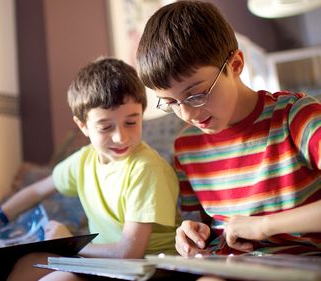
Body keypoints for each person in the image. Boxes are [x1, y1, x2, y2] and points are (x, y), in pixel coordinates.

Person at [0, 57, 180, 280]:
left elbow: (129, 253)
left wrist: (69, 242)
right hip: (108, 264)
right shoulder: (84, 160)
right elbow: (36, 191)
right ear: (83, 126)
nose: (121, 137)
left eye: (131, 121)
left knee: (61, 278)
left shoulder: (146, 168)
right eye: (105, 126)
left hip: (148, 269)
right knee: (28, 263)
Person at [136, 0, 320, 257]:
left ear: (235, 65)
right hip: (229, 265)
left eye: (196, 94)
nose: (187, 114)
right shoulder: (186, 147)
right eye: (171, 103)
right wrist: (188, 234)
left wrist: (265, 226)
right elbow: (204, 227)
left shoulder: (295, 116)